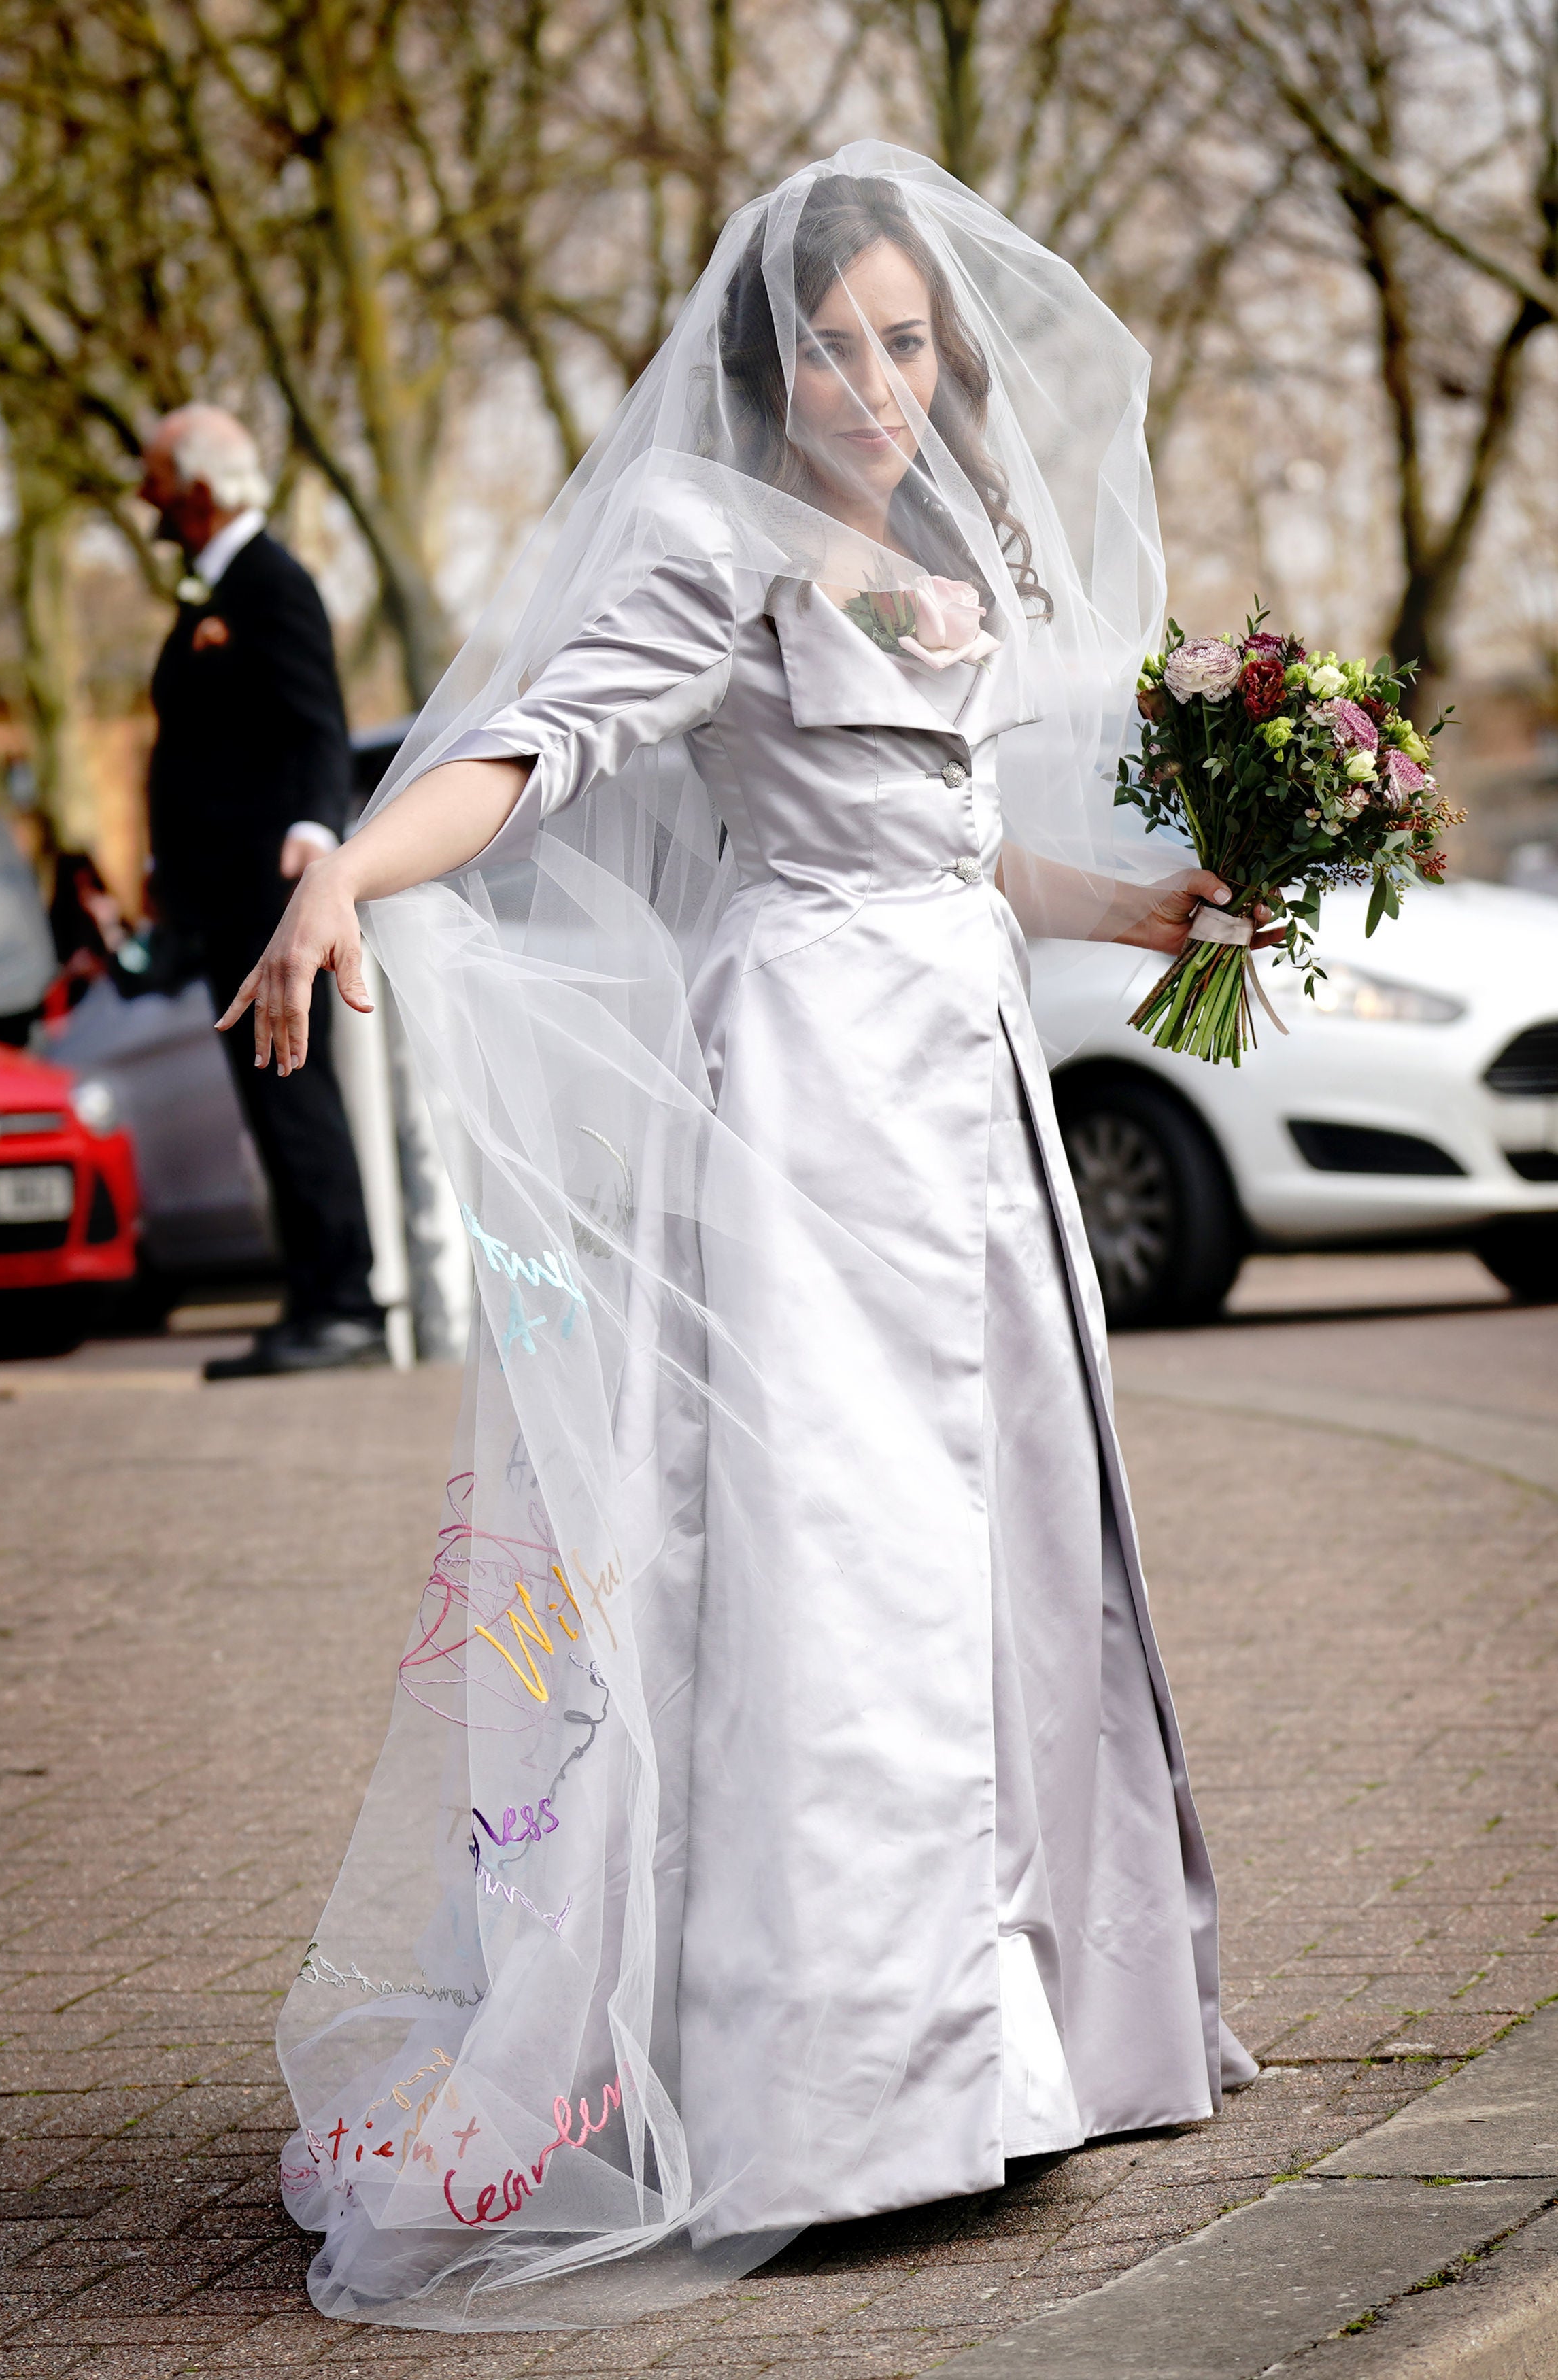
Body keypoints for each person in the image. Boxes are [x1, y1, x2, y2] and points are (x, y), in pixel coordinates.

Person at [225, 150, 1270, 2332]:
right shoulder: (707, 543)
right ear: (760, 359)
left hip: (966, 1102)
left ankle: (1032, 2038)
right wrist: (350, 879)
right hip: (801, 1098)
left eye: (904, 340)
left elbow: (962, 844)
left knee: (1004, 1554)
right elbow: (526, 746)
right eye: (829, 343)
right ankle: (839, 2091)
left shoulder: (947, 546)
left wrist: (1134, 907)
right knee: (836, 1567)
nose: (872, 380)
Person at [139, 404, 385, 1378]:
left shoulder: (271, 583)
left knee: (294, 1093)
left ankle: (345, 1300)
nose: (143, 495)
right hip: (222, 899)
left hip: (268, 894)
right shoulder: (215, 586)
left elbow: (316, 722)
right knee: (270, 1098)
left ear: (196, 489)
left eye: (154, 475)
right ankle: (316, 1296)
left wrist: (314, 837)